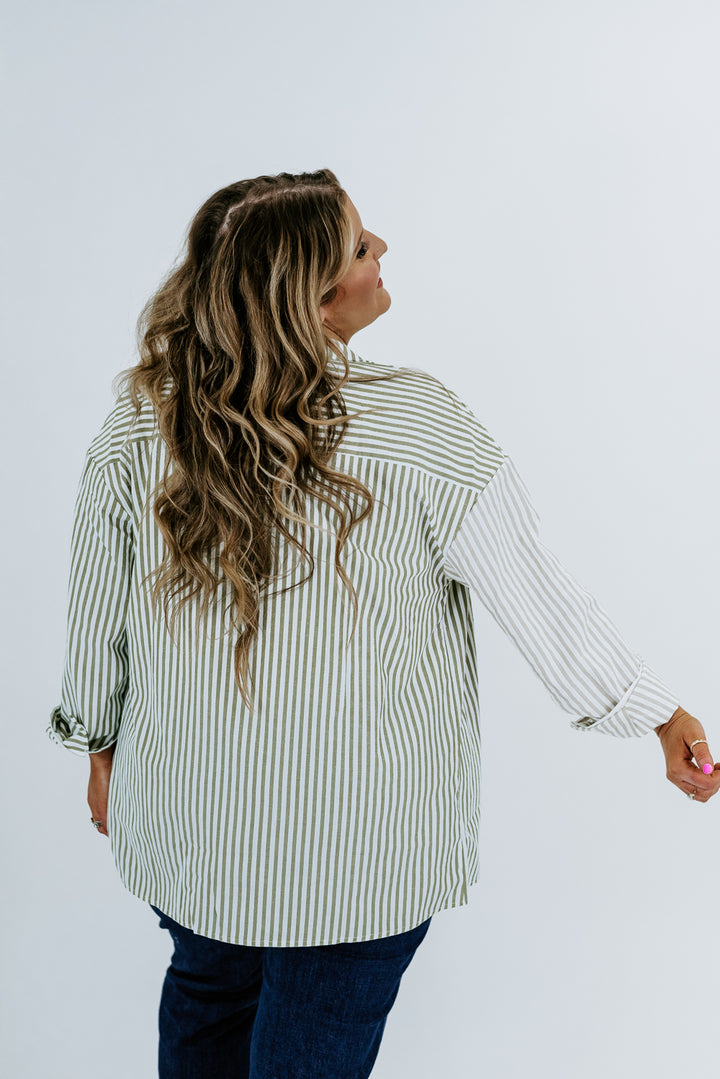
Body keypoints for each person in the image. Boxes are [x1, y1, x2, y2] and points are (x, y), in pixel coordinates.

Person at [48, 168, 720, 1079]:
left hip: (190, 830)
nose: (383, 250)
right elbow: (536, 593)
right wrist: (657, 712)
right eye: (362, 246)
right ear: (314, 298)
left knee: (207, 997)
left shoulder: (141, 421)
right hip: (359, 858)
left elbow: (95, 610)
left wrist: (97, 746)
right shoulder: (418, 425)